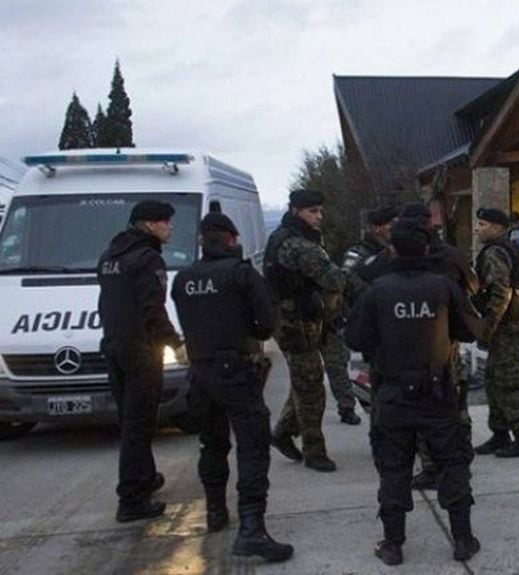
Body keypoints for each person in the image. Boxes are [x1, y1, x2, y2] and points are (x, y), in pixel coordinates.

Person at [346, 218, 482, 566]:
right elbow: (470, 330)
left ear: (393, 250)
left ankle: (393, 544)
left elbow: (355, 339)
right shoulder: (442, 286)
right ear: (425, 249)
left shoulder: (378, 291)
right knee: (452, 463)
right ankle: (463, 539)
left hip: (392, 394)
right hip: (438, 394)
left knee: (394, 469)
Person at [171, 213, 293, 562]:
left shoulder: (184, 279)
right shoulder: (241, 274)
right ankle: (252, 527)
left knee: (212, 443)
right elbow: (267, 324)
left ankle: (215, 512)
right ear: (231, 237)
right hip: (237, 371)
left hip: (199, 372)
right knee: (253, 447)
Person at [98, 200, 185, 523]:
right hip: (140, 352)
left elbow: (106, 305)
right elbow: (153, 311)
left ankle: (146, 478)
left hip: (114, 348)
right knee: (140, 425)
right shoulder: (147, 260)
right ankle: (131, 499)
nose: (170, 227)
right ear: (148, 225)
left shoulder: (110, 256)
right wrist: (176, 344)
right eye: (165, 221)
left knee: (130, 421)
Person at [265, 189, 347, 472]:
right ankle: (314, 451)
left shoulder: (285, 236)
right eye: (313, 212)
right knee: (312, 388)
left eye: (320, 211)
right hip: (296, 325)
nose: (319, 217)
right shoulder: (298, 245)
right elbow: (334, 278)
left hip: (299, 322)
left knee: (305, 380)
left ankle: (283, 432)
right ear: (296, 211)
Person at [401, 203, 479, 491]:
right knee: (455, 401)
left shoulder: (397, 257)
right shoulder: (451, 256)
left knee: (421, 404)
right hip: (447, 339)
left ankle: (432, 466)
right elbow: (474, 287)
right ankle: (461, 458)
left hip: (409, 342)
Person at [321, 206, 397, 426]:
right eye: (390, 225)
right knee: (368, 374)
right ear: (376, 228)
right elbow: (347, 282)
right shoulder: (357, 254)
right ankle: (357, 410)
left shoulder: (395, 250)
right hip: (365, 319)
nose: (394, 229)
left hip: (390, 320)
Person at [472, 207, 519, 458]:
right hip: (515, 321)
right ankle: (499, 433)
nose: (478, 229)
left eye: (483, 224)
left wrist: (487, 327)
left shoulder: (496, 252)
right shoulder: (515, 249)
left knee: (508, 380)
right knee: (492, 376)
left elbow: (500, 292)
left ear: (498, 228)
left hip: (506, 324)